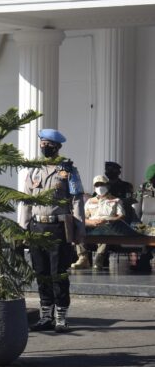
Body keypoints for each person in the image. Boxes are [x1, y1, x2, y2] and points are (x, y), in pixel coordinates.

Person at [21, 129, 85, 333]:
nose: (44, 147)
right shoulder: (34, 170)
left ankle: (61, 318)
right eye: (42, 144)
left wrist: (79, 230)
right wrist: (23, 229)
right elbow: (26, 201)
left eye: (48, 144)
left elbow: (77, 201)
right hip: (37, 227)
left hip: (58, 228)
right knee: (41, 273)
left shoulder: (68, 170)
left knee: (58, 274)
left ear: (57, 147)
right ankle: (45, 316)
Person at [83, 175, 126, 270]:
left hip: (107, 226)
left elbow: (121, 216)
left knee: (105, 231)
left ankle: (99, 258)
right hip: (91, 226)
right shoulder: (90, 201)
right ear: (94, 187)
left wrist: (108, 220)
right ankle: (83, 258)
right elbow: (83, 217)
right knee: (78, 228)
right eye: (97, 185)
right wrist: (90, 222)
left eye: (102, 184)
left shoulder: (116, 200)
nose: (99, 187)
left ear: (108, 186)